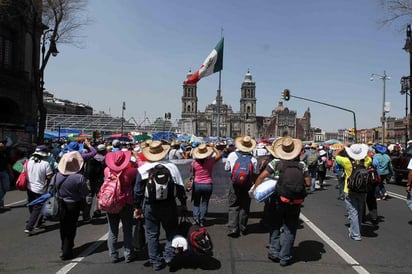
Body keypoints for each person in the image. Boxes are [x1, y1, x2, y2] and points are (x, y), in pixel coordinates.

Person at [252, 137, 311, 267]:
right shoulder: (302, 165)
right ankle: (285, 257)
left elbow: (262, 176)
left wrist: (255, 190)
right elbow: (308, 182)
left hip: (278, 199)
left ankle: (274, 252)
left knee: (275, 225)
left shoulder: (276, 163)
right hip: (294, 201)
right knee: (290, 228)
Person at [133, 140, 187, 271]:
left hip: (150, 205)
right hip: (169, 204)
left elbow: (137, 191)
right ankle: (169, 255)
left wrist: (137, 207)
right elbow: (180, 187)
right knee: (171, 231)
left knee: (152, 234)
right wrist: (183, 203)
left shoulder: (143, 169)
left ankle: (155, 261)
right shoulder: (172, 167)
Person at [51, 151, 88, 260]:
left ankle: (64, 246)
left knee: (63, 226)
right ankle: (68, 249)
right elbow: (85, 192)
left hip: (61, 203)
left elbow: (51, 189)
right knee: (71, 227)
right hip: (74, 204)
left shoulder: (57, 176)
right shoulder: (79, 178)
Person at [104, 150, 138, 263]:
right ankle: (128, 254)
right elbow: (141, 169)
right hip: (126, 203)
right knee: (127, 230)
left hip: (111, 202)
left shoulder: (107, 171)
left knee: (112, 230)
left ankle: (113, 255)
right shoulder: (131, 172)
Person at [334, 143, 371, 241]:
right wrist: (364, 149)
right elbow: (369, 155)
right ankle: (357, 229)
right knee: (359, 210)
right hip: (363, 189)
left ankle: (355, 234)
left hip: (349, 189)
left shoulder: (346, 161)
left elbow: (335, 155)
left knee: (353, 212)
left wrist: (344, 147)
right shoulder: (366, 161)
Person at [224, 135, 258, 237]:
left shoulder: (232, 155)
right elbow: (256, 172)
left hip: (234, 184)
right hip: (247, 185)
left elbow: (227, 169)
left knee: (233, 205)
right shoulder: (253, 159)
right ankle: (243, 227)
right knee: (245, 206)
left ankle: (233, 228)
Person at [191, 142, 222, 226]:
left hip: (197, 184)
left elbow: (192, 172)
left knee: (196, 202)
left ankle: (196, 218)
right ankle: (202, 220)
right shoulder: (210, 161)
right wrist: (213, 147)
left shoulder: (194, 163)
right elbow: (219, 154)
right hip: (208, 184)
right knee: (205, 202)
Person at [25, 145, 54, 234]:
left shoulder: (29, 161)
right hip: (40, 189)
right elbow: (49, 176)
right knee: (37, 208)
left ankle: (38, 222)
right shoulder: (46, 164)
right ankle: (29, 226)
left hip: (29, 187)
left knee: (31, 205)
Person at [83, 144, 107, 221]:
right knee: (99, 196)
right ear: (103, 151)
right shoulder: (104, 159)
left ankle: (86, 215)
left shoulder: (90, 158)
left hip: (89, 180)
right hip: (99, 180)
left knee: (89, 197)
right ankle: (97, 212)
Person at [0, 141, 13, 210]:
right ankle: (1, 205)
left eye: (4, 143)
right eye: (2, 143)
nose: (3, 144)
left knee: (6, 187)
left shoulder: (5, 153)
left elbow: (8, 164)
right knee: (0, 190)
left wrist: (11, 173)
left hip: (4, 172)